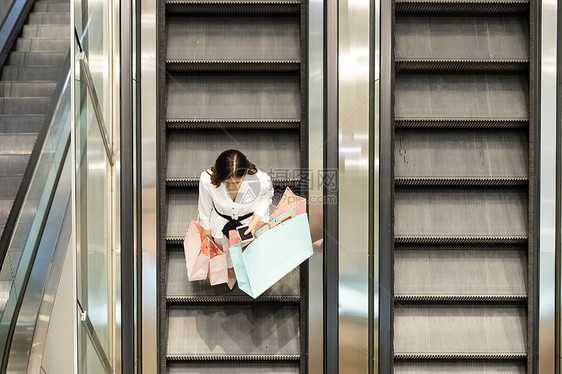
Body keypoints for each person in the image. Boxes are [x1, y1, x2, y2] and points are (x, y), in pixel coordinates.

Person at [197, 149, 274, 289]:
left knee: (249, 250)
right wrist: (205, 226)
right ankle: (230, 273)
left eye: (237, 182)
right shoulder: (206, 179)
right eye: (227, 183)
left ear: (245, 174)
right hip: (221, 221)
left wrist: (256, 220)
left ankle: (248, 272)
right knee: (224, 250)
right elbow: (205, 203)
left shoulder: (261, 179)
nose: (232, 186)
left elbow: (267, 196)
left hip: (248, 221)